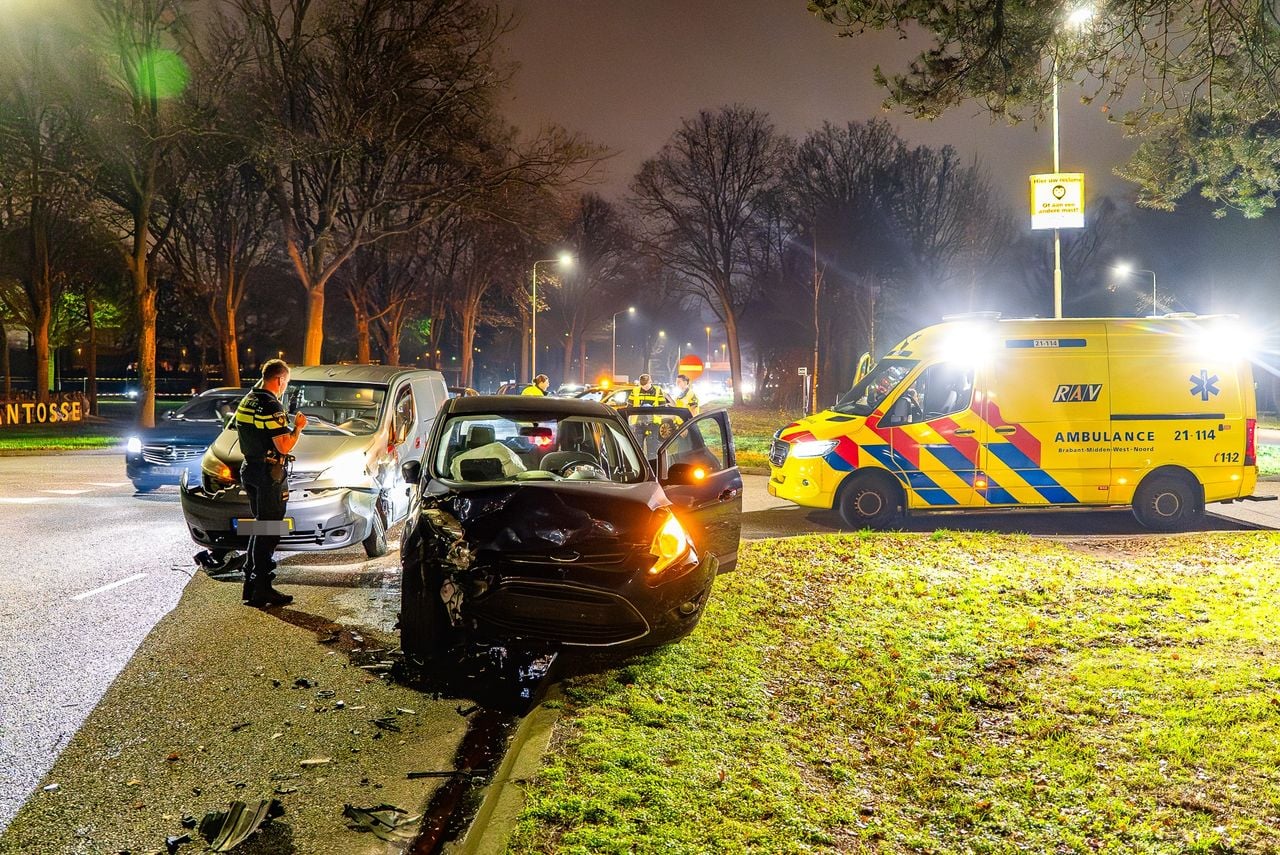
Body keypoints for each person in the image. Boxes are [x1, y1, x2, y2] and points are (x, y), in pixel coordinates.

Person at [234, 359, 307, 608]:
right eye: (286, 382)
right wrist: (297, 428)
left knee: (259, 526)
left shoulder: (249, 399)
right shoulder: (270, 405)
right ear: (279, 380)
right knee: (270, 529)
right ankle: (262, 587)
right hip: (268, 474)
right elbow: (284, 445)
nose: (285, 387)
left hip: (250, 469)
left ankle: (251, 584)